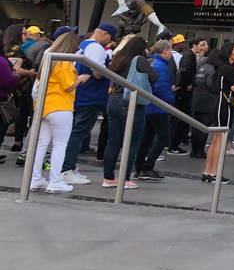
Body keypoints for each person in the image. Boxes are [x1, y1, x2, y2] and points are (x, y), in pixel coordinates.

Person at [30, 32, 92, 193]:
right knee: (60, 144)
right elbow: (68, 86)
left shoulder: (47, 58)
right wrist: (80, 79)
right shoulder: (64, 61)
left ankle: (35, 178)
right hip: (60, 106)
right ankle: (55, 181)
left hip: (44, 106)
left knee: (41, 144)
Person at [61, 23, 116, 185]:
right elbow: (98, 73)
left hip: (79, 95)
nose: (109, 41)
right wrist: (108, 69)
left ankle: (67, 167)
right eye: (110, 37)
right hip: (90, 97)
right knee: (78, 134)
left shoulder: (82, 45)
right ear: (105, 34)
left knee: (73, 133)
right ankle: (67, 168)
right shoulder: (96, 48)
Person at [102, 36, 155, 189]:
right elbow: (154, 77)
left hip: (113, 100)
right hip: (131, 102)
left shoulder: (118, 57)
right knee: (131, 142)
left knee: (113, 141)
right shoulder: (139, 60)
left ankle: (108, 178)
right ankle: (125, 179)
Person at [201, 41, 234, 184]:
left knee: (216, 138)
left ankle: (208, 172)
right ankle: (214, 173)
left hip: (220, 102)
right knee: (220, 138)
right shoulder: (228, 69)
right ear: (229, 52)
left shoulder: (222, 67)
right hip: (224, 104)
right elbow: (231, 86)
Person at [133, 39, 175, 182]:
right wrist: (170, 99)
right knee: (163, 137)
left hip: (149, 106)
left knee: (146, 138)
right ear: (164, 51)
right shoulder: (162, 66)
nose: (171, 53)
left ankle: (139, 167)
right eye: (170, 50)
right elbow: (160, 87)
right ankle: (147, 166)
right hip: (158, 107)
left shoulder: (152, 63)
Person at [3, 24, 35, 157]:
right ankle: (23, 143)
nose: (26, 36)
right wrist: (30, 72)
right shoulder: (18, 50)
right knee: (23, 114)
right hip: (20, 87)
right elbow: (16, 69)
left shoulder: (6, 48)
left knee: (18, 114)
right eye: (24, 33)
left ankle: (18, 142)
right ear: (18, 35)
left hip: (12, 87)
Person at [169, 35, 197, 155]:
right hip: (179, 90)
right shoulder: (183, 56)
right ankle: (173, 144)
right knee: (178, 118)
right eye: (182, 42)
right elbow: (182, 71)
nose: (184, 44)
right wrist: (179, 84)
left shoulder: (182, 55)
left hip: (177, 88)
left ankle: (172, 142)